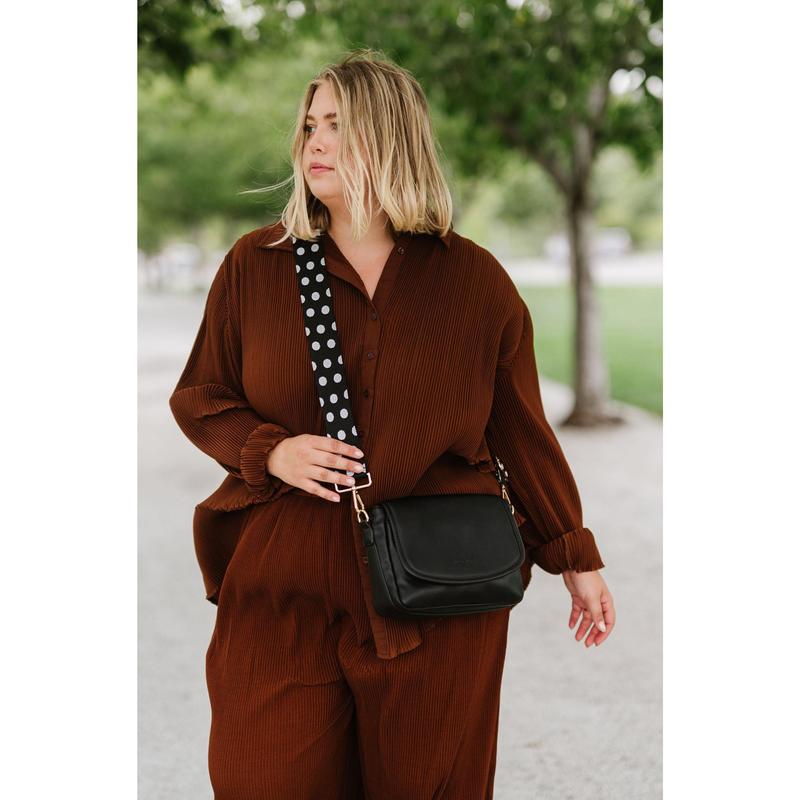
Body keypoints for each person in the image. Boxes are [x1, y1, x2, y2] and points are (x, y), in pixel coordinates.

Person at [169, 48, 616, 800]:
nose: (314, 142)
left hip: (439, 591)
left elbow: (520, 432)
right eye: (309, 126)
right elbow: (200, 394)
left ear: (391, 136)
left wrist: (574, 552)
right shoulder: (257, 264)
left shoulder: (475, 281)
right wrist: (270, 452)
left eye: (337, 125)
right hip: (285, 581)